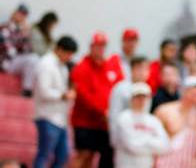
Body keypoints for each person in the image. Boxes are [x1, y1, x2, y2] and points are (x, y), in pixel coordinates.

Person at [70, 32, 124, 168]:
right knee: (84, 154)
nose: (100, 49)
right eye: (97, 46)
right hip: (85, 121)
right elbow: (84, 95)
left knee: (97, 157)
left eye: (103, 46)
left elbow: (119, 88)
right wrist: (102, 111)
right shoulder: (82, 67)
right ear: (91, 46)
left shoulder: (110, 66)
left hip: (104, 124)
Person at [32, 35, 77, 168]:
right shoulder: (46, 64)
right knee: (44, 155)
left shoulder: (62, 67)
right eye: (68, 53)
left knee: (63, 155)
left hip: (60, 119)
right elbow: (43, 91)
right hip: (47, 117)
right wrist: (64, 95)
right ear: (59, 49)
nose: (69, 57)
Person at [154, 76, 196, 168]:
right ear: (184, 91)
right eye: (193, 90)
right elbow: (153, 139)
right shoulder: (164, 111)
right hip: (163, 163)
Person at [112, 83, 170, 168]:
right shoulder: (124, 118)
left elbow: (165, 145)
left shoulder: (153, 120)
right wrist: (151, 141)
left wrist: (142, 140)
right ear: (131, 98)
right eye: (138, 97)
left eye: (144, 97)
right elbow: (131, 145)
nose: (141, 100)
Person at [109, 56, 151, 140]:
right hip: (122, 137)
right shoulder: (120, 88)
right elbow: (114, 115)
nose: (143, 72)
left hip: (141, 137)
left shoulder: (147, 89)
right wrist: (115, 139)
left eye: (146, 69)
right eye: (139, 68)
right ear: (132, 70)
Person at [0, 3, 38, 96]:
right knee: (31, 59)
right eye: (20, 13)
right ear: (14, 13)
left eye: (24, 15)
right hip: (6, 62)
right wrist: (20, 50)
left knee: (35, 59)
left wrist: (26, 35)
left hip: (15, 61)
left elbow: (28, 50)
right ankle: (27, 89)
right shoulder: (5, 28)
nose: (21, 17)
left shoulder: (22, 31)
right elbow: (9, 51)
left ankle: (27, 89)